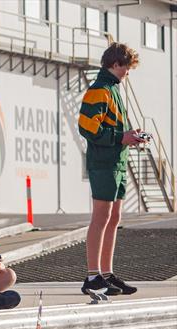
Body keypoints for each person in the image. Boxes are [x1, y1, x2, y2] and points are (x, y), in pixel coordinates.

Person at [78, 42, 143, 297]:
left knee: (114, 218)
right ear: (116, 64)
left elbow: (108, 128)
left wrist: (130, 137)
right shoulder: (100, 90)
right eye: (127, 67)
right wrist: (120, 138)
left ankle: (105, 272)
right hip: (104, 163)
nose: (128, 73)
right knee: (101, 217)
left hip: (116, 162)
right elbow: (87, 128)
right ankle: (92, 275)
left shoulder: (112, 90)